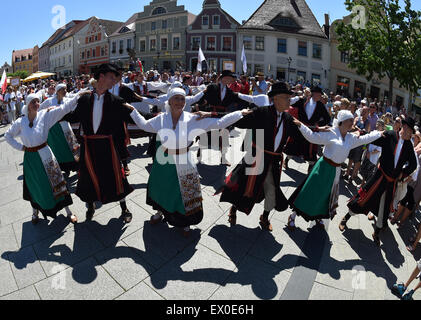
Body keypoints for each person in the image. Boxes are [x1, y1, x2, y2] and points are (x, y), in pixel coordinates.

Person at [127, 87, 250, 236]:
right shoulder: (161, 118)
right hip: (163, 162)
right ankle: (160, 213)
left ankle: (186, 223)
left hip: (184, 161)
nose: (180, 102)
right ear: (169, 101)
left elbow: (219, 123)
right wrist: (132, 110)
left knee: (186, 193)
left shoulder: (193, 119)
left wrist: (239, 113)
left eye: (183, 99)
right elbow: (144, 125)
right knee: (162, 189)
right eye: (176, 98)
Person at [217, 82, 301, 231]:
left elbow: (303, 134)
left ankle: (265, 217)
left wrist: (323, 131)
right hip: (256, 158)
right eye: (286, 97)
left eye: (290, 97)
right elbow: (239, 122)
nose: (290, 100)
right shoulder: (261, 112)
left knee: (271, 191)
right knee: (243, 186)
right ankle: (234, 209)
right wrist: (213, 115)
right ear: (275, 99)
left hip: (274, 162)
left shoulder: (289, 119)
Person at [64, 64, 137, 224]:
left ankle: (124, 207)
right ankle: (90, 205)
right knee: (88, 178)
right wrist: (55, 113)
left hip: (108, 146)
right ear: (101, 77)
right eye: (112, 77)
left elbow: (131, 117)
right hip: (89, 147)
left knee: (116, 176)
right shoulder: (84, 99)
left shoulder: (116, 101)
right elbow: (74, 117)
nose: (114, 81)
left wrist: (158, 118)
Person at [287, 111, 383, 230]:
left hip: (335, 171)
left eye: (352, 121)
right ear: (342, 121)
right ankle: (293, 216)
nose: (352, 123)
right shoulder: (331, 133)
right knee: (310, 192)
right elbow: (312, 137)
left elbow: (365, 138)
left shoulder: (351, 137)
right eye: (350, 120)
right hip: (323, 168)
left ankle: (318, 217)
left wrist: (379, 133)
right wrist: (301, 126)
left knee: (325, 195)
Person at [4, 92, 88, 225]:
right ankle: (35, 212)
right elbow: (8, 136)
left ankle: (68, 211)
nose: (37, 104)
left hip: (45, 153)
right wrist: (21, 147)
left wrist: (79, 95)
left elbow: (64, 108)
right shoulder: (21, 122)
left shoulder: (45, 115)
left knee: (57, 181)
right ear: (28, 105)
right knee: (35, 185)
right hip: (31, 158)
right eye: (33, 102)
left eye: (38, 101)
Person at [339, 117, 418, 246]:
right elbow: (373, 139)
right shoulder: (390, 135)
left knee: (385, 208)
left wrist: (402, 174)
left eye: (412, 133)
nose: (411, 135)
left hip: (391, 182)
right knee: (364, 196)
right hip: (379, 176)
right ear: (404, 128)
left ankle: (376, 232)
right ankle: (346, 217)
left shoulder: (409, 146)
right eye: (410, 131)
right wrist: (361, 134)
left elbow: (413, 165)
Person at [196, 70, 247, 166]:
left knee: (224, 137)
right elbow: (202, 98)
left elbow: (239, 99)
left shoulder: (230, 91)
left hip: (223, 115)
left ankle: (223, 158)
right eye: (227, 78)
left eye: (231, 79)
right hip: (210, 113)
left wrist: (252, 103)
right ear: (221, 78)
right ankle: (200, 154)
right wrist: (200, 105)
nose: (229, 80)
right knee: (205, 135)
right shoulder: (212, 87)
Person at [283, 85, 331, 173]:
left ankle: (310, 168)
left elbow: (327, 118)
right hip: (299, 128)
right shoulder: (302, 100)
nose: (321, 97)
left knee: (310, 150)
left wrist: (317, 125)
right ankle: (286, 161)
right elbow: (289, 103)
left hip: (311, 130)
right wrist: (298, 97)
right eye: (319, 95)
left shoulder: (321, 105)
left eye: (321, 95)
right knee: (293, 146)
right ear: (314, 94)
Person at [38, 83, 80, 175]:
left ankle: (75, 166)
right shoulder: (49, 101)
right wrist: (46, 112)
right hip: (53, 129)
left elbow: (76, 102)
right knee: (57, 149)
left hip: (65, 126)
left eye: (66, 89)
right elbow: (39, 110)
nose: (65, 91)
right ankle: (62, 168)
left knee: (70, 146)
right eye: (63, 89)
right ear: (57, 91)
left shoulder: (67, 100)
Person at [344, 106, 371, 183]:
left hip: (360, 144)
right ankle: (347, 173)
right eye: (362, 110)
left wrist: (357, 128)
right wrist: (359, 129)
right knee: (350, 158)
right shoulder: (357, 118)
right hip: (353, 141)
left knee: (357, 160)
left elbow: (366, 132)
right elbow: (352, 127)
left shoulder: (368, 122)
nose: (363, 112)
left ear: (367, 113)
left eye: (365, 111)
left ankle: (352, 177)